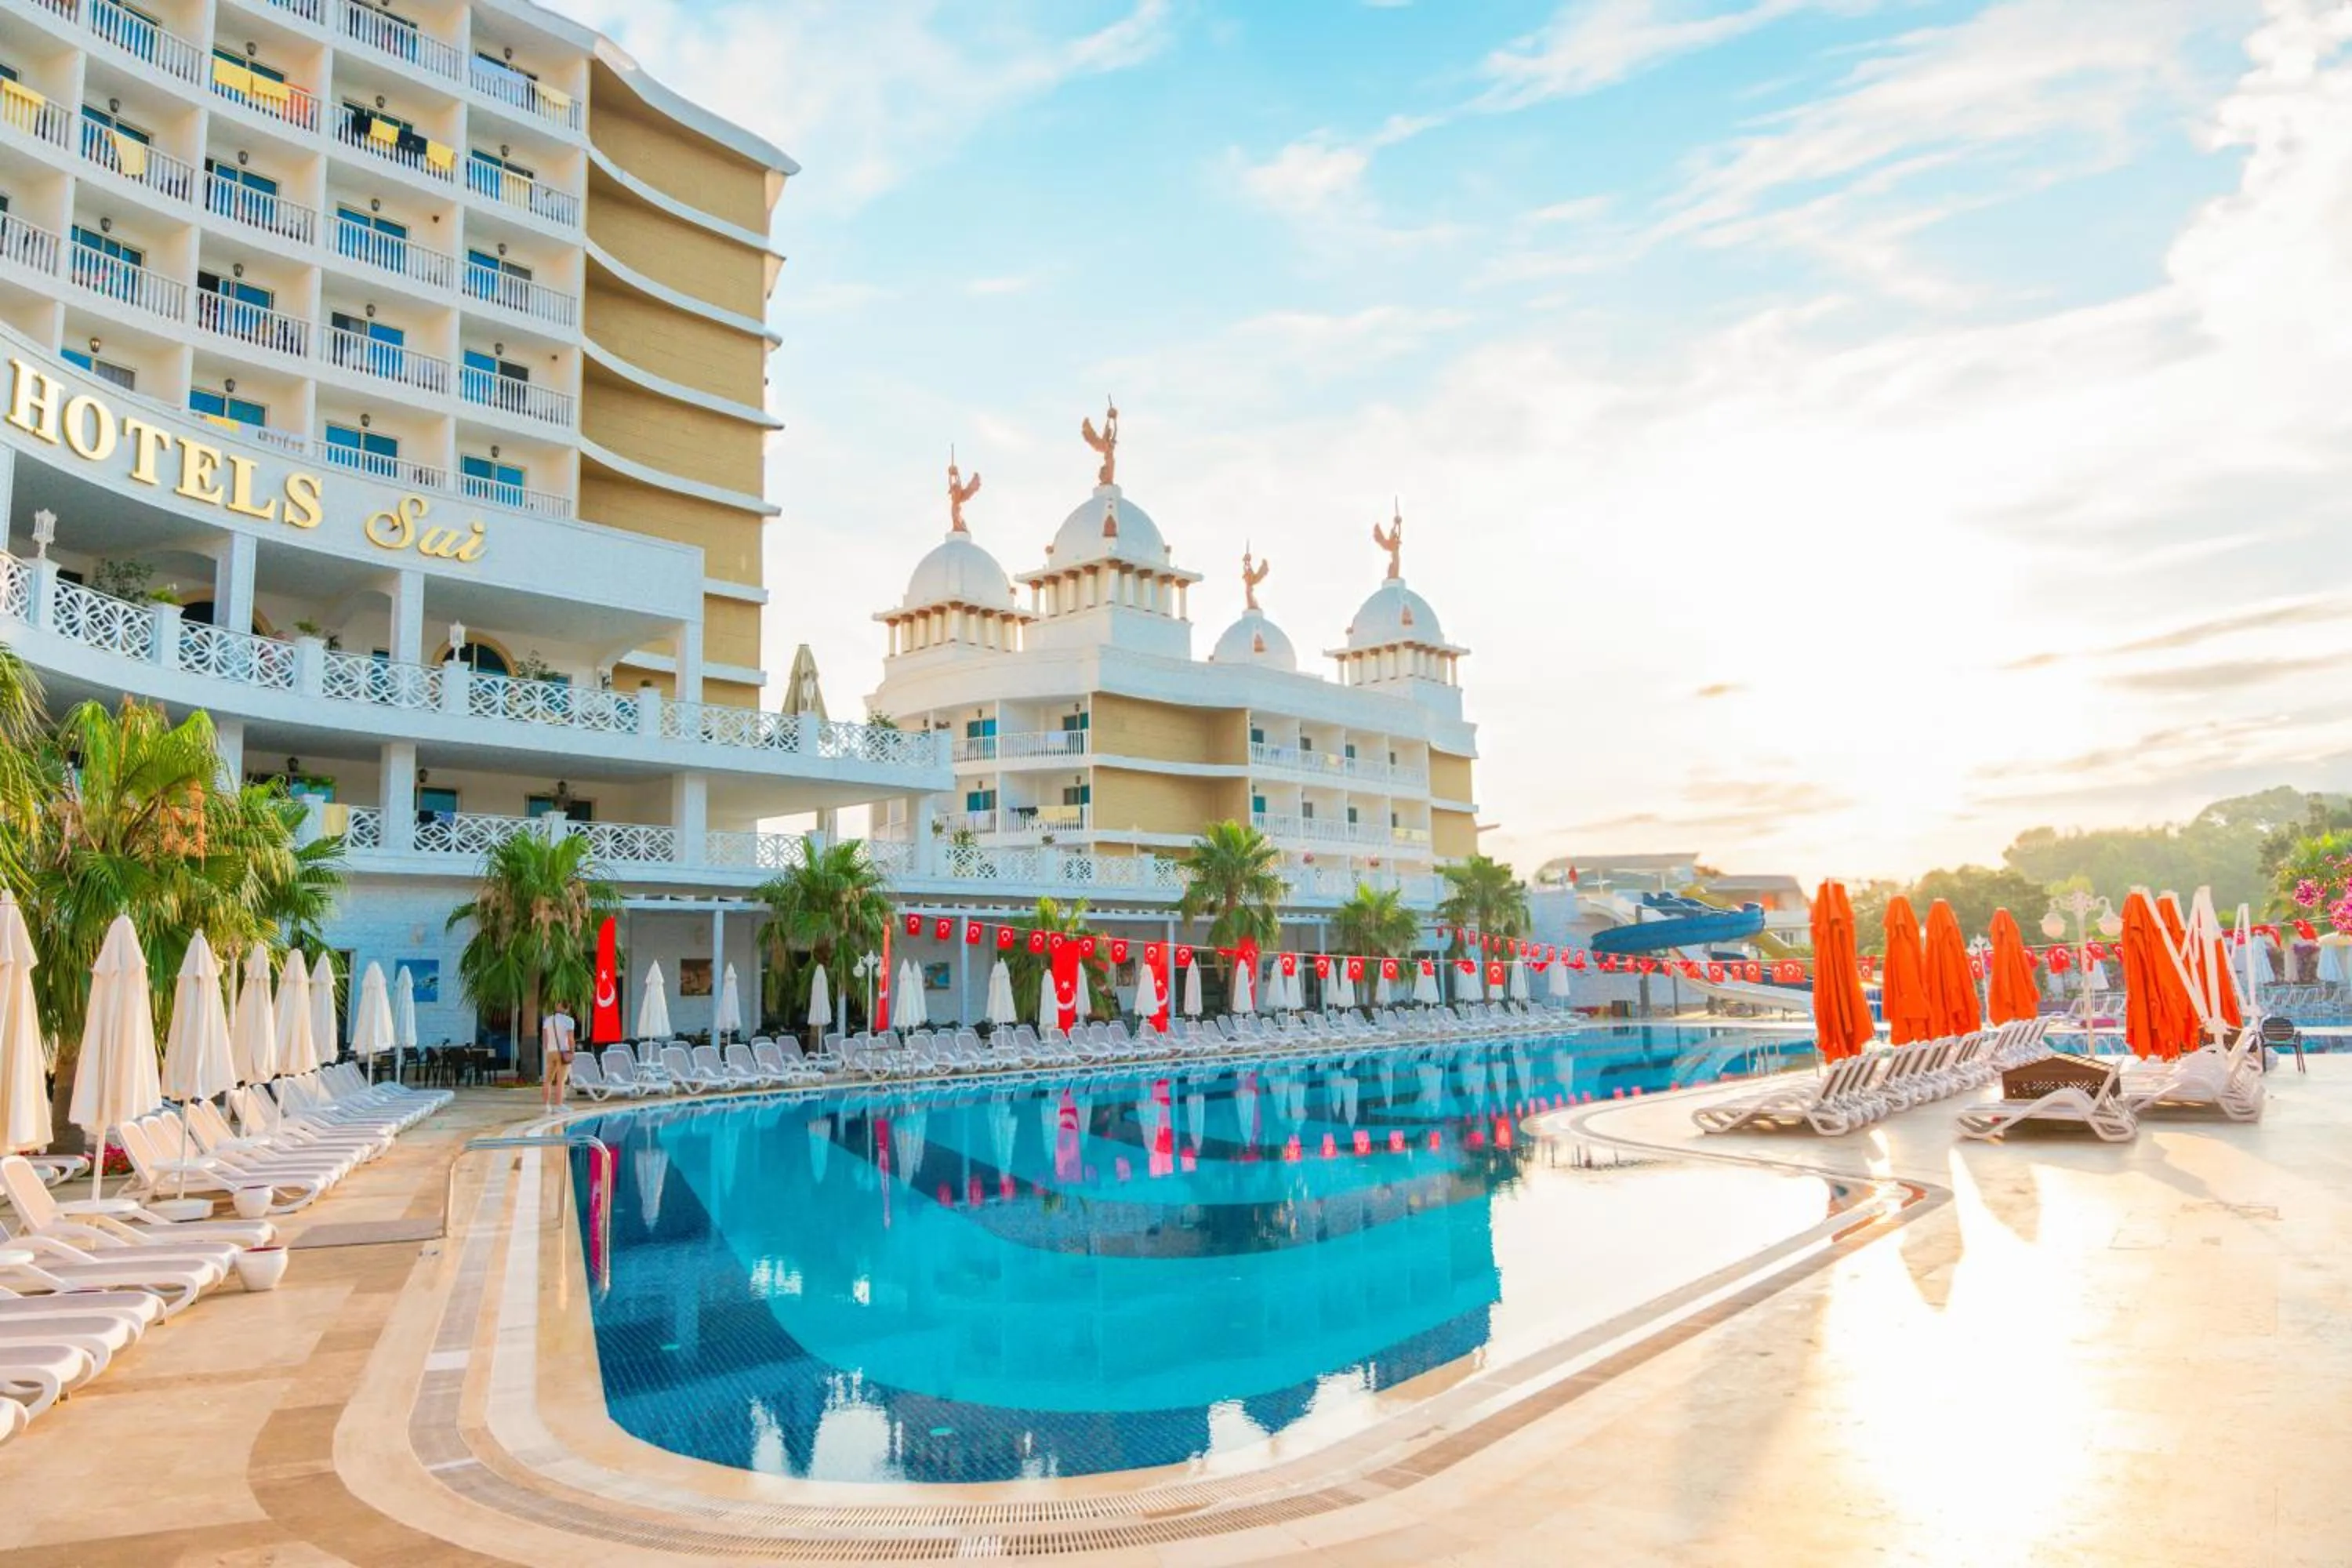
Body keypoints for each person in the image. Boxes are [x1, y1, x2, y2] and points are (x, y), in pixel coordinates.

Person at [541, 1001, 578, 1110]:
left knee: (547, 1080)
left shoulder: (547, 1020)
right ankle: (559, 1105)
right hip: (563, 1052)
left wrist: (549, 1049)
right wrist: (572, 1051)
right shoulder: (569, 1021)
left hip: (551, 1052)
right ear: (567, 1009)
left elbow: (545, 1040)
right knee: (560, 1081)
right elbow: (571, 1039)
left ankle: (546, 1105)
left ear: (557, 1007)